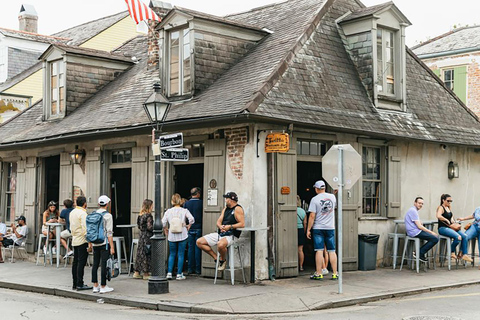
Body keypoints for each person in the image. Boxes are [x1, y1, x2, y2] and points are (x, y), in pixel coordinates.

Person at [197, 192, 245, 272]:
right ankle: (216, 258)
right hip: (221, 233)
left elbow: (242, 224)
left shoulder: (238, 209)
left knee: (220, 244)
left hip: (232, 235)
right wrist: (220, 226)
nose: (225, 200)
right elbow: (218, 221)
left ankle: (223, 260)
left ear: (231, 200)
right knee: (199, 242)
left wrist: (230, 226)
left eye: (226, 199)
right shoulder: (225, 209)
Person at [307, 181, 338, 280]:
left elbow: (312, 216)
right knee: (332, 251)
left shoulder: (314, 199)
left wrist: (308, 229)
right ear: (324, 188)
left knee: (319, 251)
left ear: (316, 189)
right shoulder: (332, 197)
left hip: (318, 228)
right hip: (330, 227)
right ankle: (335, 273)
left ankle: (319, 273)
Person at [163, 193, 194, 280]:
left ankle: (169, 273)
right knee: (181, 254)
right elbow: (192, 219)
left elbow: (163, 222)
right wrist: (188, 225)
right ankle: (179, 274)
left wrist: (165, 229)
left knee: (172, 254)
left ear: (172, 201)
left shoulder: (168, 211)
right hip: (182, 234)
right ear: (180, 201)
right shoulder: (184, 211)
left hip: (172, 235)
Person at [436, 194, 472, 262]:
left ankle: (464, 254)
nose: (449, 202)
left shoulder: (449, 207)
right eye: (448, 201)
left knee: (464, 236)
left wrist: (455, 222)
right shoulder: (441, 207)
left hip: (451, 227)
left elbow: (451, 219)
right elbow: (438, 215)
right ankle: (452, 251)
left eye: (451, 201)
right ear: (443, 200)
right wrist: (446, 219)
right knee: (458, 237)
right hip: (443, 228)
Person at [91, 195, 115, 294]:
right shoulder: (108, 216)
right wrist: (112, 247)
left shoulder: (93, 214)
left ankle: (95, 285)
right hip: (104, 242)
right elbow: (109, 232)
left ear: (98, 204)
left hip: (94, 242)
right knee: (104, 264)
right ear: (107, 204)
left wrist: (90, 243)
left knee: (95, 264)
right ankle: (103, 286)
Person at [404, 197, 439, 262]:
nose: (421, 205)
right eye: (419, 203)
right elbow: (419, 226)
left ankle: (419, 253)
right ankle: (419, 253)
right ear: (415, 203)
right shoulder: (413, 211)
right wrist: (431, 232)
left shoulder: (413, 210)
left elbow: (417, 222)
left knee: (433, 237)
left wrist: (419, 221)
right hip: (414, 232)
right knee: (435, 238)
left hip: (413, 231)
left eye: (422, 204)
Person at [70, 196, 92, 291]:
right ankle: (80, 283)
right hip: (82, 240)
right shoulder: (83, 213)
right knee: (81, 263)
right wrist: (89, 242)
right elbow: (85, 229)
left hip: (75, 239)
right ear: (85, 204)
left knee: (75, 262)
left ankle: (75, 283)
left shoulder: (72, 212)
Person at [133, 199, 154, 280]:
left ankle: (136, 272)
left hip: (141, 236)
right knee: (147, 253)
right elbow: (149, 227)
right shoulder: (149, 216)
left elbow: (139, 226)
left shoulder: (140, 215)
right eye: (152, 205)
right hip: (147, 236)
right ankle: (146, 273)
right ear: (149, 206)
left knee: (140, 254)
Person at [185, 187, 203, 275]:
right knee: (198, 248)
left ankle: (189, 268)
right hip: (199, 227)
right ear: (198, 194)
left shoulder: (186, 204)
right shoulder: (201, 203)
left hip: (190, 228)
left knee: (190, 249)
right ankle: (198, 268)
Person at [296, 195, 307, 271]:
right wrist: (305, 231)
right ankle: (301, 266)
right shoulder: (302, 211)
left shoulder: (292, 210)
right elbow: (305, 222)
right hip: (300, 230)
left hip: (292, 230)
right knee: (300, 250)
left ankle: (294, 265)